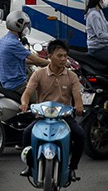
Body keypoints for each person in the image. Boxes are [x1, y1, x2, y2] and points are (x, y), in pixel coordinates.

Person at [20, 39, 86, 177]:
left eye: (65, 56)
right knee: (27, 134)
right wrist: (24, 103)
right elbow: (27, 93)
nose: (63, 59)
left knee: (80, 135)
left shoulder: (72, 76)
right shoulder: (38, 74)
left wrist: (78, 106)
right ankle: (30, 165)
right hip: (42, 117)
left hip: (64, 118)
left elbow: (77, 95)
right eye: (59, 56)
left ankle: (72, 168)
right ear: (49, 56)